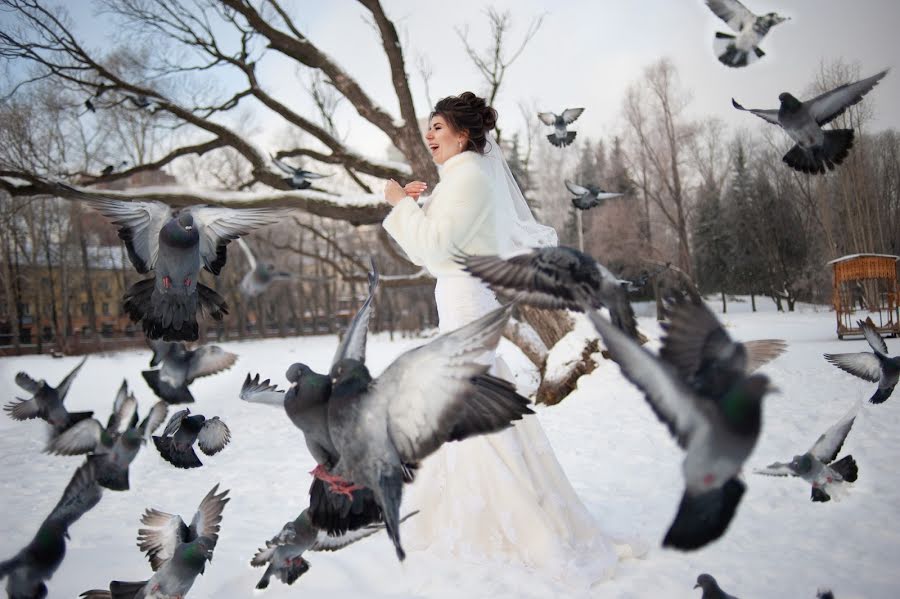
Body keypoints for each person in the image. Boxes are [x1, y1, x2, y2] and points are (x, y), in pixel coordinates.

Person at [382, 92, 632, 584]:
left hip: (465, 305)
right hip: (460, 302)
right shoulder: (460, 179)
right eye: (429, 128)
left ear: (463, 133)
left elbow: (434, 248)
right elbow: (429, 252)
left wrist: (397, 205)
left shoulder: (470, 177)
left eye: (437, 128)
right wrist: (412, 206)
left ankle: (514, 524)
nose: (429, 136)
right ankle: (473, 512)